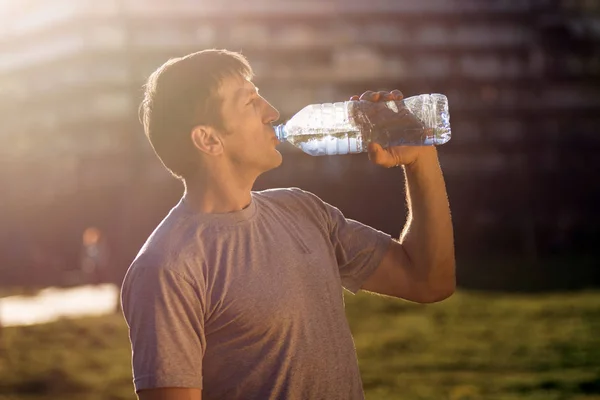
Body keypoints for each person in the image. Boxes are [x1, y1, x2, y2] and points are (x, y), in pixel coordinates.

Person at [121, 49, 455, 400]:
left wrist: (419, 159)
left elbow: (429, 281)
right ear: (208, 139)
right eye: (250, 102)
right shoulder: (166, 268)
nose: (272, 112)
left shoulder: (302, 210)